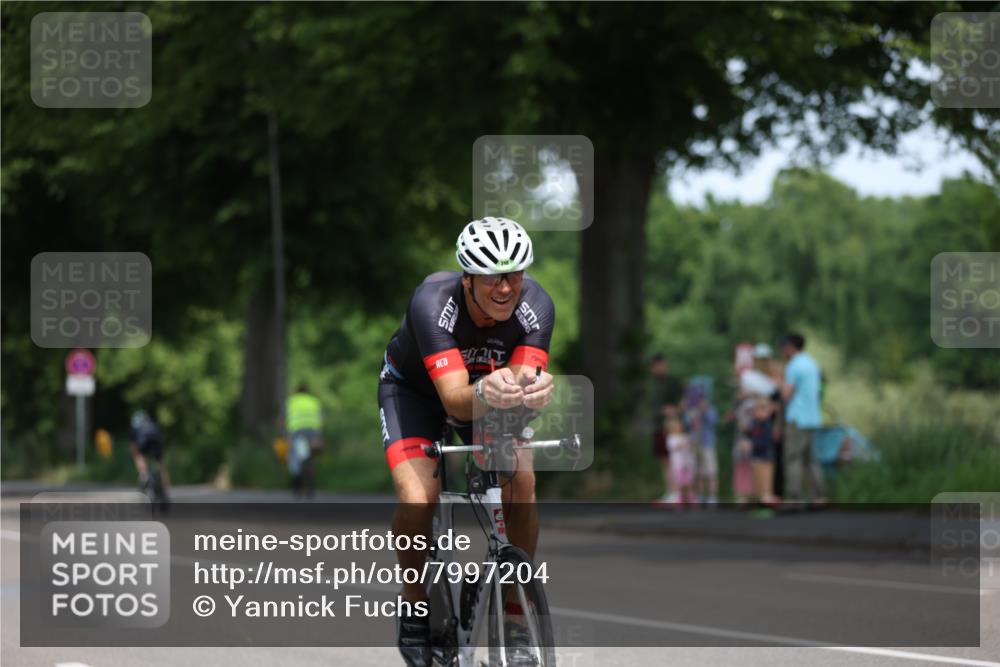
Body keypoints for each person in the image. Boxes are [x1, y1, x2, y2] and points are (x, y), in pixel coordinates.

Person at [378, 217, 555, 667]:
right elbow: (456, 404)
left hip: (486, 395)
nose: (505, 288)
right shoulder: (432, 303)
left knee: (522, 480)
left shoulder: (537, 307)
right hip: (417, 393)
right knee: (419, 497)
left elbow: (518, 392)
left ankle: (516, 612)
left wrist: (533, 393)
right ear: (468, 278)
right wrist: (491, 389)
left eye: (514, 274)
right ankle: (416, 604)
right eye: (492, 276)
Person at [780, 333, 826, 504]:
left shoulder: (794, 365)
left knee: (793, 458)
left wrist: (779, 385)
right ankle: (819, 497)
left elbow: (787, 394)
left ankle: (794, 498)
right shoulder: (812, 363)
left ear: (791, 347)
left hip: (797, 419)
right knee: (811, 460)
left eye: (783, 346)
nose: (782, 350)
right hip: (813, 418)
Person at [648, 354, 683, 502]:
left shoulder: (673, 382)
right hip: (658, 426)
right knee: (665, 461)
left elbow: (682, 401)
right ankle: (670, 490)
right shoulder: (650, 385)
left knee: (676, 460)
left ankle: (678, 491)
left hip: (673, 427)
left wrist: (674, 409)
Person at [284, 382, 324, 498]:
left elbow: (284, 418)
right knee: (309, 458)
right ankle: (310, 486)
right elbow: (320, 418)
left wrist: (283, 434)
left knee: (297, 457)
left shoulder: (292, 401)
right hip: (313, 432)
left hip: (298, 432)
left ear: (297, 391)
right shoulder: (314, 401)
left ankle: (297, 486)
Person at [685, 387, 719, 506]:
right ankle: (700, 495)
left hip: (707, 444)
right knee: (698, 472)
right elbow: (688, 426)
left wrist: (704, 410)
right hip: (695, 445)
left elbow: (713, 421)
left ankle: (712, 496)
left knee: (711, 472)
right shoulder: (691, 411)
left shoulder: (710, 410)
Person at [129, 410, 169, 497]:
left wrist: (134, 454)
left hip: (144, 441)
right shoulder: (152, 424)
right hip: (157, 441)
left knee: (139, 455)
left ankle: (144, 475)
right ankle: (165, 491)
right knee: (161, 466)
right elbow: (162, 441)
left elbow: (134, 446)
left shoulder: (136, 425)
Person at [745, 398, 778, 505]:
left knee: (766, 484)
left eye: (764, 409)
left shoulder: (767, 425)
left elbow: (766, 442)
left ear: (769, 411)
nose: (761, 412)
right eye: (759, 409)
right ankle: (759, 503)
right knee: (757, 483)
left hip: (766, 458)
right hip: (756, 457)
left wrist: (751, 445)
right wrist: (747, 437)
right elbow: (751, 436)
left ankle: (767, 503)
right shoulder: (754, 424)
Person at [666, 416, 696, 506]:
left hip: (687, 464)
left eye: (678, 426)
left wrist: (689, 443)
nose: (677, 428)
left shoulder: (684, 436)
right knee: (679, 484)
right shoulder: (671, 438)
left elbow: (690, 447)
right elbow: (675, 447)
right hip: (678, 465)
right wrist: (683, 443)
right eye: (674, 427)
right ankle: (680, 501)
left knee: (689, 483)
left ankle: (692, 500)